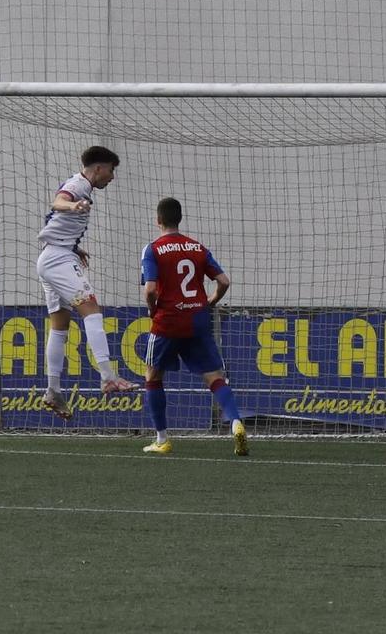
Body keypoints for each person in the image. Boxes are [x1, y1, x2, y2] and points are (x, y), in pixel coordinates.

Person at [138, 198, 246, 456]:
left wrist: (152, 310)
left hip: (168, 320)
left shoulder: (153, 249)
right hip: (197, 318)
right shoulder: (197, 247)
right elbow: (223, 281)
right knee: (214, 377)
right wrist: (210, 302)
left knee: (152, 376)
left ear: (158, 220)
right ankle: (235, 422)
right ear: (180, 219)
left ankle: (162, 440)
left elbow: (150, 289)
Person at [40, 146, 141, 413]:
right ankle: (108, 377)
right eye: (111, 170)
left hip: (54, 255)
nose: (112, 176)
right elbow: (58, 202)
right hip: (58, 260)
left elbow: (56, 219)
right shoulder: (80, 185)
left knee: (60, 326)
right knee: (92, 310)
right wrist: (72, 204)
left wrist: (73, 246)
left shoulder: (81, 184)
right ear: (99, 168)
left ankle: (53, 390)